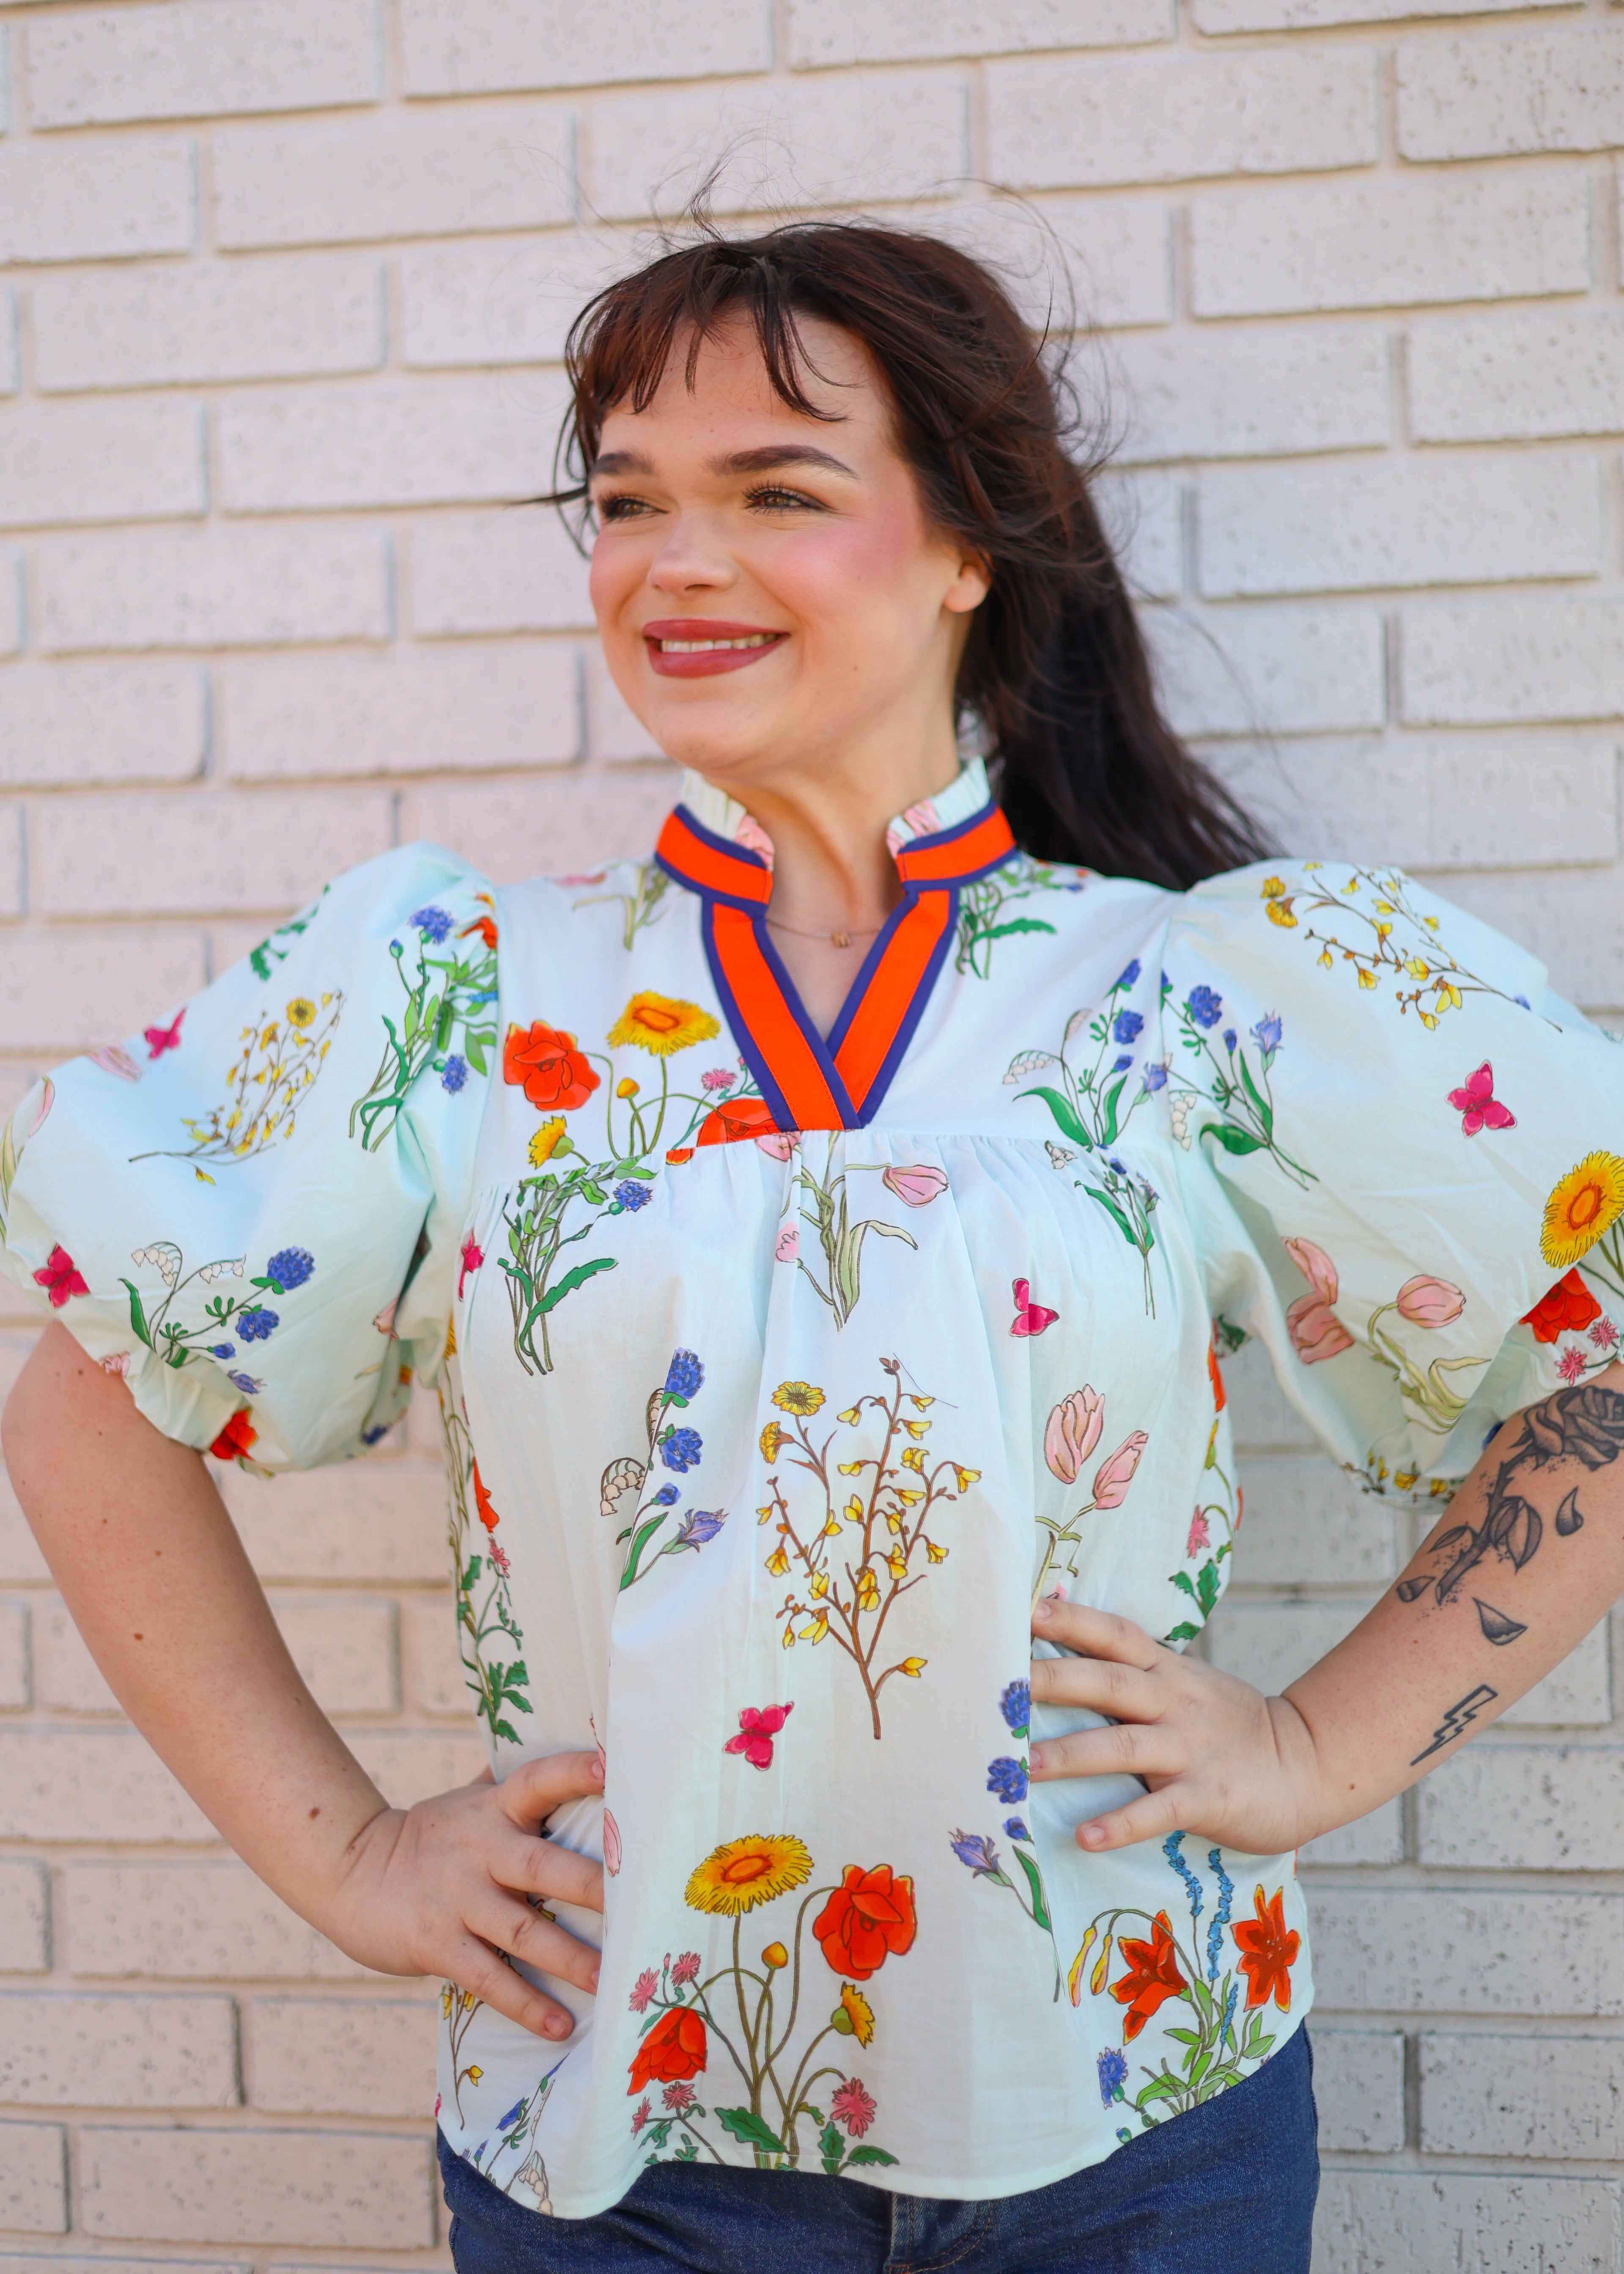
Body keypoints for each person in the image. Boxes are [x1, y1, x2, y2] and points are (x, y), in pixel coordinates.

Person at [4, 220, 1623, 2274]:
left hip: (1136, 2110)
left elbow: (1606, 1355)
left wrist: (1318, 1746)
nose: (679, 561)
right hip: (619, 2129)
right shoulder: (466, 998)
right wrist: (347, 1858)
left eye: (778, 491)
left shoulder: (1195, 992)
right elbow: (90, 1396)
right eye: (629, 502)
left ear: (969, 547)